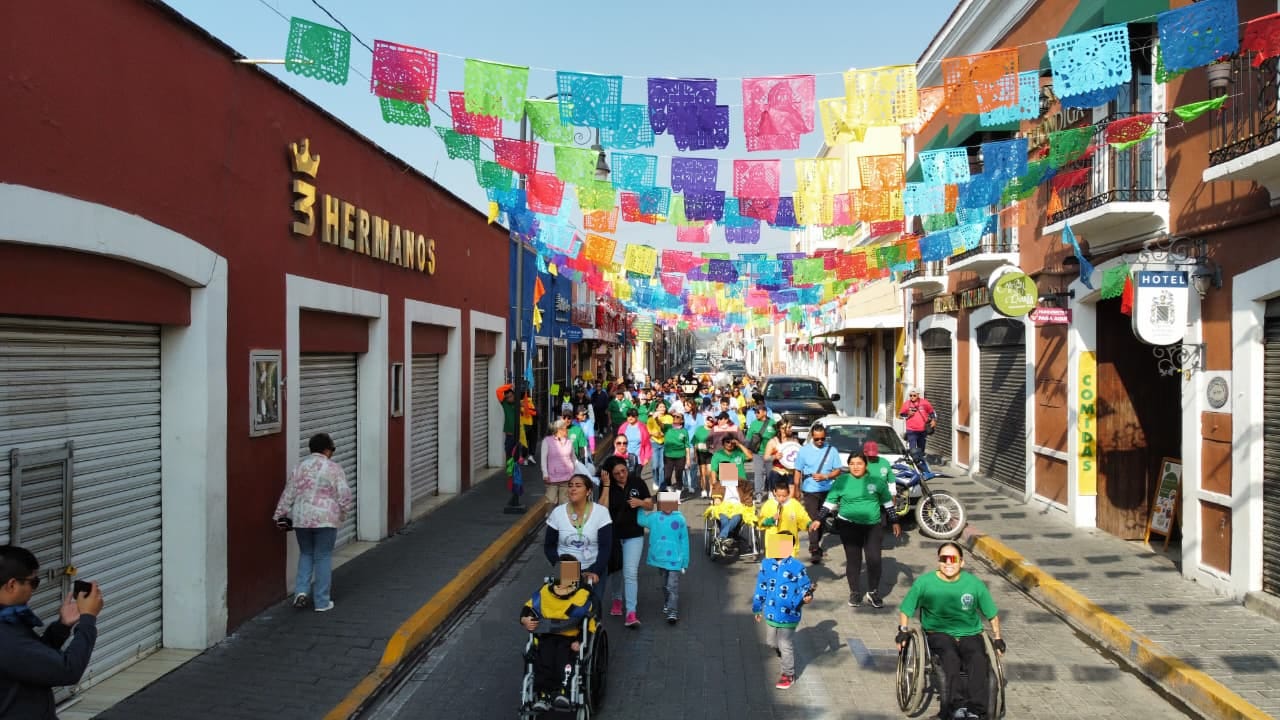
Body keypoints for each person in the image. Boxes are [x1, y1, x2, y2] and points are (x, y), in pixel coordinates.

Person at [897, 543, 1005, 720]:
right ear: (939, 561)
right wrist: (902, 631)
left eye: (953, 559)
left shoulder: (974, 584)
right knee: (950, 657)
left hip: (970, 633)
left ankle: (977, 710)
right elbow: (906, 608)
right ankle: (956, 707)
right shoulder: (925, 583)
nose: (948, 563)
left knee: (978, 658)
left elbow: (992, 614)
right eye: (943, 559)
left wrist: (998, 638)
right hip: (938, 632)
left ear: (961, 562)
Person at [0, 545, 104, 718]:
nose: (34, 590)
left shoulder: (8, 621)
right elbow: (68, 670)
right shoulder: (5, 634)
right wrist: (88, 619)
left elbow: (31, 660)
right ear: (12, 585)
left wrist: (62, 626)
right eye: (33, 582)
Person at [274, 432, 353, 612]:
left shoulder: (300, 467)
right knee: (323, 556)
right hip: (326, 519)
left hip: (302, 518)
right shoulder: (334, 468)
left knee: (306, 554)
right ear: (326, 450)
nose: (332, 452)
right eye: (332, 449)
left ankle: (301, 592)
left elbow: (289, 493)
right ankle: (322, 601)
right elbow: (344, 495)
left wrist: (279, 515)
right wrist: (342, 514)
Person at [810, 451, 900, 608]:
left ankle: (873, 592)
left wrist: (894, 521)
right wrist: (818, 519)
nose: (855, 467)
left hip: (873, 526)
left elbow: (887, 503)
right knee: (854, 560)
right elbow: (829, 503)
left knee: (874, 560)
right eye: (852, 464)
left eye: (859, 463)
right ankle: (855, 592)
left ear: (866, 465)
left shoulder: (877, 481)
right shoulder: (842, 481)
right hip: (848, 525)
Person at [520, 555, 598, 712]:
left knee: (564, 660)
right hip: (547, 636)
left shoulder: (582, 595)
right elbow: (529, 607)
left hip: (569, 639)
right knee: (543, 658)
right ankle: (542, 695)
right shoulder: (545, 591)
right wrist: (524, 619)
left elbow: (590, 623)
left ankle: (563, 692)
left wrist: (583, 641)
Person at [752, 532, 815, 690]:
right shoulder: (766, 564)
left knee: (784, 643)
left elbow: (805, 587)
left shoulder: (796, 567)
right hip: (771, 612)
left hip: (790, 614)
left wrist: (807, 596)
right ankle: (782, 654)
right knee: (772, 642)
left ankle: (788, 674)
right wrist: (757, 607)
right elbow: (761, 586)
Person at [544, 474, 613, 607]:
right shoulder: (557, 513)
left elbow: (605, 547)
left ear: (588, 491)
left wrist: (595, 571)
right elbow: (549, 546)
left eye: (578, 486)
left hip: (593, 567)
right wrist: (564, 568)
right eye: (570, 486)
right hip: (566, 568)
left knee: (592, 609)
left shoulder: (601, 513)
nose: (573, 489)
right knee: (567, 610)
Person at [599, 456, 652, 628]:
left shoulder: (637, 482)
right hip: (612, 535)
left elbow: (650, 505)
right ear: (611, 475)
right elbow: (601, 509)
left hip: (634, 534)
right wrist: (606, 486)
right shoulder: (607, 486)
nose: (622, 475)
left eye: (624, 470)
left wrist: (641, 502)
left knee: (630, 572)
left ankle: (631, 612)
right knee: (616, 569)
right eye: (617, 473)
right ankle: (616, 598)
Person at [791, 425, 844, 564]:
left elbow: (838, 470)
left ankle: (816, 542)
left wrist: (826, 476)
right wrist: (796, 489)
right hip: (810, 490)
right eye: (817, 439)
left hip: (827, 489)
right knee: (812, 518)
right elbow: (797, 470)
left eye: (822, 438)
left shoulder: (832, 450)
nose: (820, 441)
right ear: (811, 437)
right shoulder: (804, 451)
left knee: (821, 518)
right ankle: (814, 548)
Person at [636, 492, 689, 624]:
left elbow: (684, 541)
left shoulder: (680, 519)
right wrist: (640, 505)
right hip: (660, 559)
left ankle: (672, 612)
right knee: (665, 585)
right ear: (659, 504)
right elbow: (641, 521)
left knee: (672, 586)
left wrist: (685, 561)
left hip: (675, 560)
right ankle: (667, 602)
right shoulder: (655, 517)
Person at [704, 476, 757, 556]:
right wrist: (716, 498)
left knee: (736, 518)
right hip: (723, 506)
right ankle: (728, 539)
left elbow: (748, 494)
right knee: (724, 519)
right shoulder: (719, 484)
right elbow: (715, 494)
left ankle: (721, 538)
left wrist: (748, 502)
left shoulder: (742, 484)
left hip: (738, 507)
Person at [758, 483, 811, 558]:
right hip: (774, 538)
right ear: (774, 492)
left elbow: (802, 516)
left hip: (789, 537)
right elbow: (761, 521)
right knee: (776, 565)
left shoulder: (794, 504)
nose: (781, 498)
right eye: (779, 496)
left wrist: (809, 524)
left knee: (788, 565)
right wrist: (771, 520)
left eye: (784, 496)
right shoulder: (769, 504)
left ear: (788, 494)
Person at [540, 419, 578, 504]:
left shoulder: (569, 442)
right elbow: (543, 459)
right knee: (551, 502)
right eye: (565, 428)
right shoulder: (547, 441)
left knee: (564, 504)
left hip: (567, 477)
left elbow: (573, 458)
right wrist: (545, 474)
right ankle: (551, 517)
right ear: (559, 430)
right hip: (552, 478)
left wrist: (575, 472)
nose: (567, 430)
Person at [744, 405, 778, 499]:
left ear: (765, 412)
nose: (756, 414)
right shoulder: (754, 424)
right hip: (757, 453)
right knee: (758, 473)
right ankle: (758, 493)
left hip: (770, 454)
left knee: (770, 474)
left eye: (758, 412)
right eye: (755, 412)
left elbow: (777, 437)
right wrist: (746, 450)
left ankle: (771, 491)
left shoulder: (772, 423)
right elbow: (748, 439)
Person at [899, 388, 937, 469]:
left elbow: (932, 412)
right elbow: (901, 414)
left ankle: (921, 466)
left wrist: (933, 420)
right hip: (911, 430)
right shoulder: (907, 404)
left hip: (922, 430)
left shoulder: (924, 402)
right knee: (913, 450)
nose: (912, 397)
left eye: (914, 395)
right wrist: (908, 414)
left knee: (921, 449)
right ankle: (914, 467)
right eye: (910, 395)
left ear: (918, 395)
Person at [616, 408, 652, 479]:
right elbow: (618, 442)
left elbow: (647, 443)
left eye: (633, 416)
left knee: (636, 477)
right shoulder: (623, 427)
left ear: (636, 417)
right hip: (626, 457)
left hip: (638, 458)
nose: (630, 418)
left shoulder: (642, 427)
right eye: (628, 416)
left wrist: (646, 457)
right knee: (627, 477)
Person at [661, 412, 692, 494]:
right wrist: (656, 417)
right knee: (667, 476)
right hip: (668, 456)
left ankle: (677, 497)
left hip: (680, 456)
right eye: (674, 416)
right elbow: (659, 423)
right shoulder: (667, 427)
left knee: (678, 476)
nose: (675, 418)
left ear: (682, 420)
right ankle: (670, 488)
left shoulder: (684, 431)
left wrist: (688, 460)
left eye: (678, 417)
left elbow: (687, 446)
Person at [646, 400, 673, 491]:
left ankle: (662, 485)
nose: (662, 408)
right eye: (660, 407)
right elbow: (649, 430)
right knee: (655, 466)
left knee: (662, 466)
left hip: (665, 443)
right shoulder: (651, 418)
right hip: (654, 442)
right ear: (656, 408)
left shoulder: (669, 417)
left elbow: (664, 428)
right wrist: (654, 433)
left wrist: (657, 420)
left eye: (664, 407)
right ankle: (655, 481)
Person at [763, 421, 796, 492]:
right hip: (777, 473)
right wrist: (775, 457)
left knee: (789, 499)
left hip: (790, 473)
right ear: (782, 429)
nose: (791, 429)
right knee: (774, 498)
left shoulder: (794, 441)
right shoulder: (773, 441)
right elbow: (765, 458)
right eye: (789, 427)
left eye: (791, 427)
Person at [692, 413, 716, 498]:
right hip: (700, 452)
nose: (710, 422)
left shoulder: (714, 430)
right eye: (708, 420)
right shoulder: (699, 429)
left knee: (710, 472)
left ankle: (712, 489)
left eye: (712, 421)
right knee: (702, 473)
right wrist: (695, 454)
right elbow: (695, 442)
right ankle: (704, 490)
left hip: (710, 453)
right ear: (705, 421)